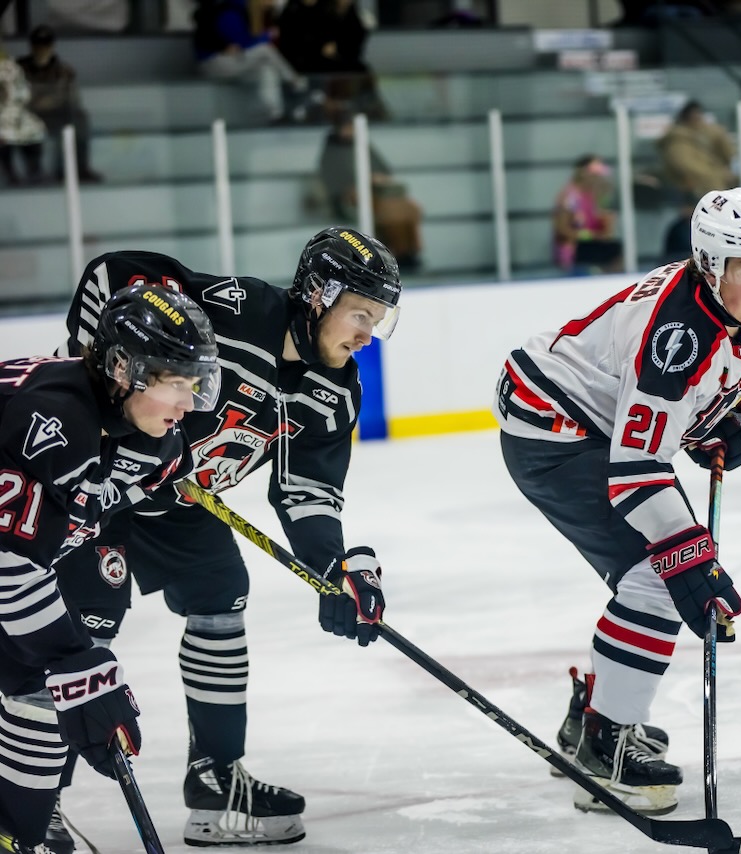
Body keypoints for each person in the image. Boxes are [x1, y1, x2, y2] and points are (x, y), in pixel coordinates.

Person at [50, 227, 402, 847]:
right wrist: (93, 375)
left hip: (177, 497)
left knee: (220, 590)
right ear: (318, 295)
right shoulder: (239, 311)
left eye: (377, 321)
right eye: (359, 315)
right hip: (98, 480)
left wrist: (334, 568)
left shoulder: (334, 392)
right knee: (80, 631)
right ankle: (28, 802)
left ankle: (215, 778)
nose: (367, 336)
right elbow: (110, 272)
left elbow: (307, 491)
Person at [495, 187, 741, 815]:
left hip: (596, 425)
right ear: (711, 266)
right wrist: (690, 559)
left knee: (661, 572)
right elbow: (637, 470)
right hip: (553, 429)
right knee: (658, 576)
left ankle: (594, 715)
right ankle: (604, 745)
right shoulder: (679, 336)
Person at [0, 285, 220, 854]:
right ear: (124, 370)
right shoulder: (53, 419)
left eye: (196, 384)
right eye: (176, 383)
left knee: (38, 685)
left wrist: (72, 668)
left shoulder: (152, 442)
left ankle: (16, 834)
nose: (188, 404)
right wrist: (77, 661)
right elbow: (8, 570)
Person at [317, 115, 424, 271]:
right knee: (391, 210)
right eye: (347, 127)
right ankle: (400, 253)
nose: (350, 131)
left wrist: (377, 178)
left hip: (377, 193)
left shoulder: (362, 146)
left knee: (408, 207)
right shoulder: (332, 152)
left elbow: (383, 170)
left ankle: (410, 251)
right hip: (351, 198)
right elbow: (335, 183)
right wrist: (360, 184)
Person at [192, 0, 309, 124]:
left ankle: (275, 114)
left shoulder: (237, 10)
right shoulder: (228, 12)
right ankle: (297, 82)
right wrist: (268, 35)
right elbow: (243, 44)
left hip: (227, 63)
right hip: (213, 63)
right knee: (264, 50)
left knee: (266, 68)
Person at [16, 25, 103, 184]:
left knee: (79, 118)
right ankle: (34, 170)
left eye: (46, 45)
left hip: (56, 114)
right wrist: (40, 101)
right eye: (38, 45)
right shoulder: (19, 69)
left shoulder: (64, 70)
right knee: (21, 121)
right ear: (32, 46)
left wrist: (45, 101)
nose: (42, 50)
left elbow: (72, 98)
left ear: (52, 47)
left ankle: (78, 168)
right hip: (28, 115)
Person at [276, 0, 388, 121]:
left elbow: (354, 44)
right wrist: (323, 47)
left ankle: (367, 109)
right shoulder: (299, 10)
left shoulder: (352, 15)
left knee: (361, 71)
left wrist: (338, 48)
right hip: (310, 64)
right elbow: (296, 42)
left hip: (341, 61)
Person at [552, 155, 621, 275]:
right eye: (595, 174)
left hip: (593, 246)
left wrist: (606, 223)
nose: (598, 178)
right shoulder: (569, 196)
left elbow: (606, 230)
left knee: (615, 248)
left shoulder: (596, 196)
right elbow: (562, 229)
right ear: (583, 173)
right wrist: (591, 235)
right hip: (576, 249)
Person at [657, 100, 736, 201]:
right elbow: (687, 167)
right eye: (695, 117)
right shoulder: (677, 141)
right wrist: (718, 174)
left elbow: (727, 153)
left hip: (708, 190)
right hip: (693, 192)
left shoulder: (706, 133)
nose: (699, 120)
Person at [0, 46, 46, 186]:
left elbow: (23, 92)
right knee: (4, 134)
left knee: (35, 129)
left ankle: (34, 171)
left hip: (15, 111)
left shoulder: (13, 68)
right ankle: (10, 174)